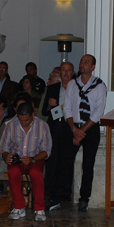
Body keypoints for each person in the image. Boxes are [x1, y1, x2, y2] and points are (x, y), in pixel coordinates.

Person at [61, 54, 108, 212]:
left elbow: (98, 112)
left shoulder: (99, 86)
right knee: (65, 161)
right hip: (73, 127)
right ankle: (59, 195)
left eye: (86, 62)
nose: (82, 64)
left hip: (90, 128)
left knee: (88, 165)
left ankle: (84, 198)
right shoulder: (72, 84)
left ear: (93, 67)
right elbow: (67, 108)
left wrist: (82, 131)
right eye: (81, 61)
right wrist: (75, 130)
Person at [2, 101, 53, 222]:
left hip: (35, 158)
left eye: (26, 120)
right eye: (21, 120)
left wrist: (33, 159)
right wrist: (6, 156)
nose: (23, 123)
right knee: (13, 172)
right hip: (17, 158)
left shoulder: (43, 126)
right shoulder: (11, 125)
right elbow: (4, 147)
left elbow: (47, 150)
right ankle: (18, 207)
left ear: (33, 115)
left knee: (36, 174)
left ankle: (39, 208)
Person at [44, 62, 75, 208]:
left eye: (69, 70)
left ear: (73, 73)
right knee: (53, 159)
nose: (66, 73)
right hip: (55, 127)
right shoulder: (52, 88)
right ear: (60, 73)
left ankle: (65, 192)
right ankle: (51, 189)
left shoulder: (76, 89)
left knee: (67, 160)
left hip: (69, 127)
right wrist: (49, 104)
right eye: (64, 70)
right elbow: (44, 111)